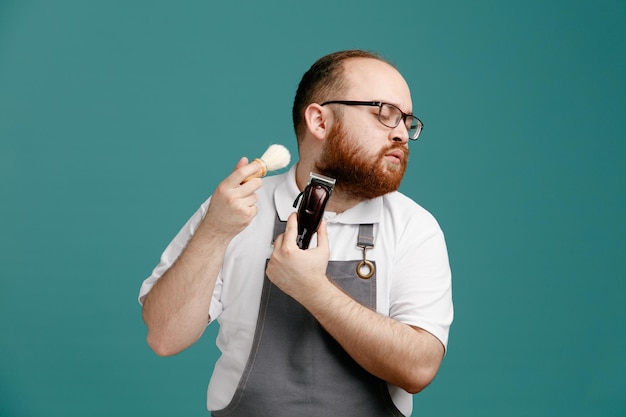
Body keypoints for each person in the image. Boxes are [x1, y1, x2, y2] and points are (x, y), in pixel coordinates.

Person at [138, 49, 453, 417]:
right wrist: (214, 232)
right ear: (319, 121)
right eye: (385, 113)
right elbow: (164, 336)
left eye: (407, 121)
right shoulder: (235, 209)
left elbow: (418, 368)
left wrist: (311, 288)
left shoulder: (415, 227)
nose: (401, 133)